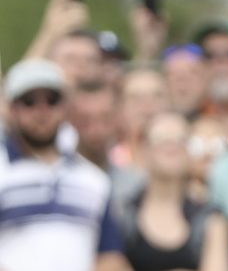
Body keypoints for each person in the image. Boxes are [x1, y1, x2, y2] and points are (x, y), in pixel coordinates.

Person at [0, 59, 131, 271]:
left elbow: (108, 257)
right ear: (12, 108)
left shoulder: (94, 180)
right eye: (29, 101)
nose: (41, 111)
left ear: (65, 107)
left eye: (51, 100)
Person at [120, 112, 228, 271]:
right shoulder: (122, 213)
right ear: (143, 150)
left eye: (181, 140)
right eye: (160, 139)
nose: (171, 146)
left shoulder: (210, 218)